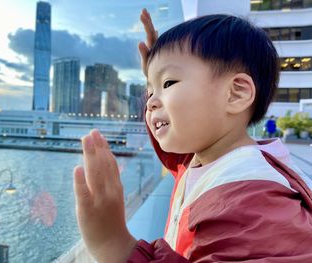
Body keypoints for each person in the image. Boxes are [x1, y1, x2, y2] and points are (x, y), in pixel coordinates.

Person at [73, 9, 312, 263]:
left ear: (236, 94)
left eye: (168, 83)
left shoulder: (255, 203)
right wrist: (158, 77)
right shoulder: (208, 158)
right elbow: (175, 147)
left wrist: (114, 244)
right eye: (149, 90)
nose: (150, 102)